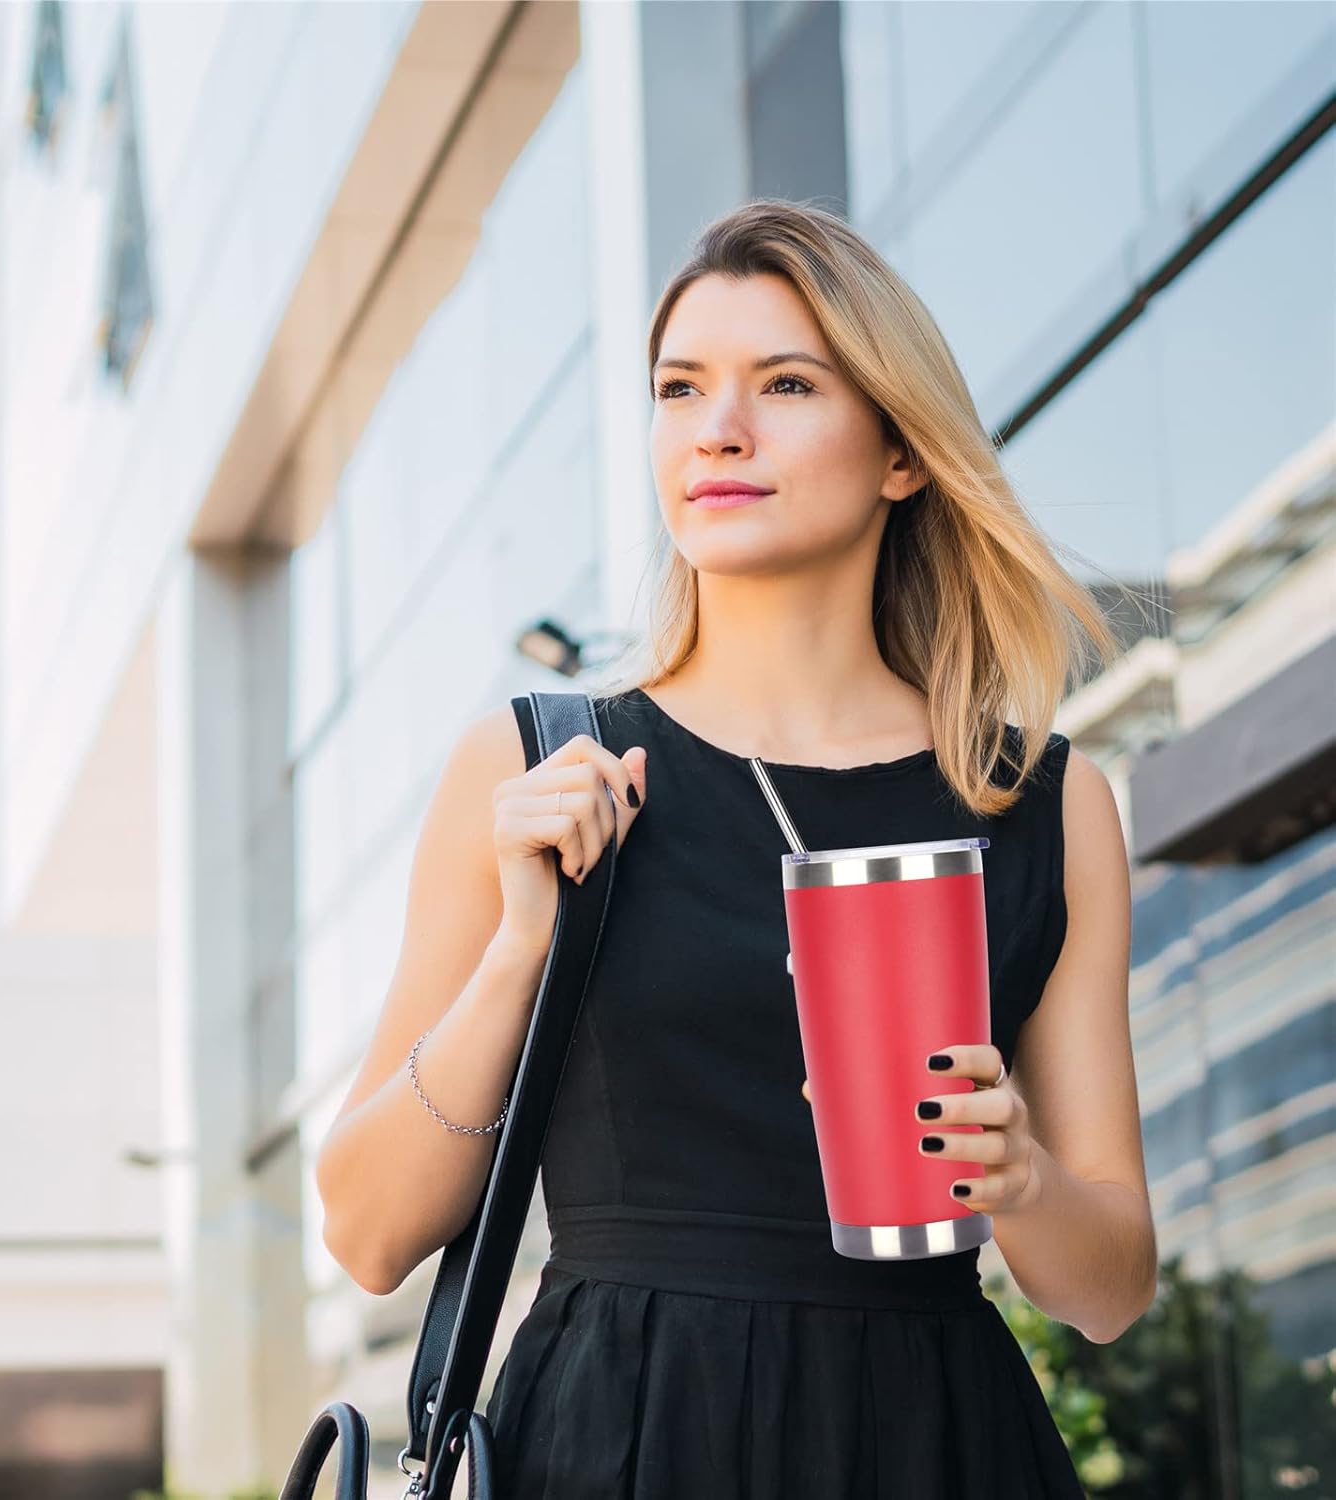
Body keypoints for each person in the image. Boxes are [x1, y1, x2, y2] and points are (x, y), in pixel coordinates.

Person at [315, 199, 1158, 1497]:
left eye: (786, 384)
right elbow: (367, 1234)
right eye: (680, 388)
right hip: (620, 1443)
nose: (717, 428)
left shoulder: (1041, 803)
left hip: (934, 1444)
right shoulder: (540, 766)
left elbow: (1111, 1288)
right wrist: (523, 949)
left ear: (901, 452)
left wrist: (1020, 1177)